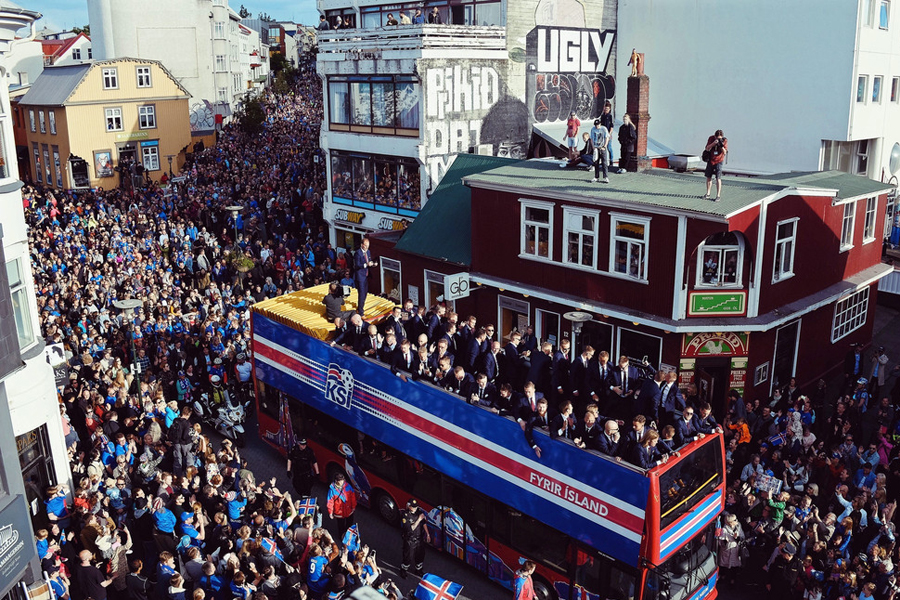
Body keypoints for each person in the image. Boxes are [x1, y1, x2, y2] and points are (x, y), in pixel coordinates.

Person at [399, 499, 430, 578]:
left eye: (416, 507)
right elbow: (410, 528)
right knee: (408, 557)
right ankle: (403, 570)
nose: (415, 508)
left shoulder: (419, 513)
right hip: (410, 540)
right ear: (409, 507)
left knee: (420, 555)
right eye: (413, 507)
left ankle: (418, 570)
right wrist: (418, 519)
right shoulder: (405, 516)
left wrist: (427, 534)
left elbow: (423, 523)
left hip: (419, 539)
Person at [717, 513, 745, 588]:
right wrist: (725, 541)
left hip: (736, 551)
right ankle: (722, 577)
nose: (737, 521)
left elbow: (743, 537)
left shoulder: (738, 527)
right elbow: (720, 542)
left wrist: (737, 538)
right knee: (723, 566)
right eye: (735, 520)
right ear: (730, 522)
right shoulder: (724, 529)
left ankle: (732, 581)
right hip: (726, 551)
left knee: (734, 567)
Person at [703, 129, 728, 201]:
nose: (718, 139)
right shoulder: (711, 138)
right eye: (717, 138)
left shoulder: (725, 140)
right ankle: (708, 193)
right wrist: (713, 143)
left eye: (719, 138)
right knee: (708, 177)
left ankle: (718, 195)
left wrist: (721, 145)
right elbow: (707, 148)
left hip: (719, 161)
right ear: (715, 136)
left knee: (718, 178)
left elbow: (725, 152)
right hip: (711, 160)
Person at [353, 238, 377, 313]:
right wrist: (366, 264)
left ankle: (360, 306)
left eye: (368, 246)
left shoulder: (368, 252)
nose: (367, 248)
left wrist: (373, 264)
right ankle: (360, 311)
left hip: (366, 275)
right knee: (362, 293)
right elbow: (356, 265)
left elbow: (369, 261)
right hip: (360, 276)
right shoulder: (358, 253)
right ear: (362, 245)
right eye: (366, 246)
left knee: (365, 292)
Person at [590, 118, 610, 183]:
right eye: (596, 125)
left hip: (602, 147)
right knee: (596, 163)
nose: (597, 126)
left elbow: (607, 137)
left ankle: (605, 177)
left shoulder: (604, 129)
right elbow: (592, 138)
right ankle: (596, 177)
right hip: (596, 148)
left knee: (604, 162)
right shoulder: (593, 129)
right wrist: (593, 147)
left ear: (600, 124)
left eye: (598, 125)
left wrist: (605, 146)